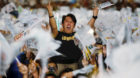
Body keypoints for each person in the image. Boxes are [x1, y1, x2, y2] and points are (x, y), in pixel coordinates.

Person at [46, 1, 99, 73]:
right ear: (62, 24)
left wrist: (94, 16)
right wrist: (50, 13)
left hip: (75, 65)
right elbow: (54, 27)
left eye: (71, 22)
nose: (69, 23)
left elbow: (87, 27)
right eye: (66, 21)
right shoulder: (57, 34)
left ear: (74, 25)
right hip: (58, 65)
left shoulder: (77, 35)